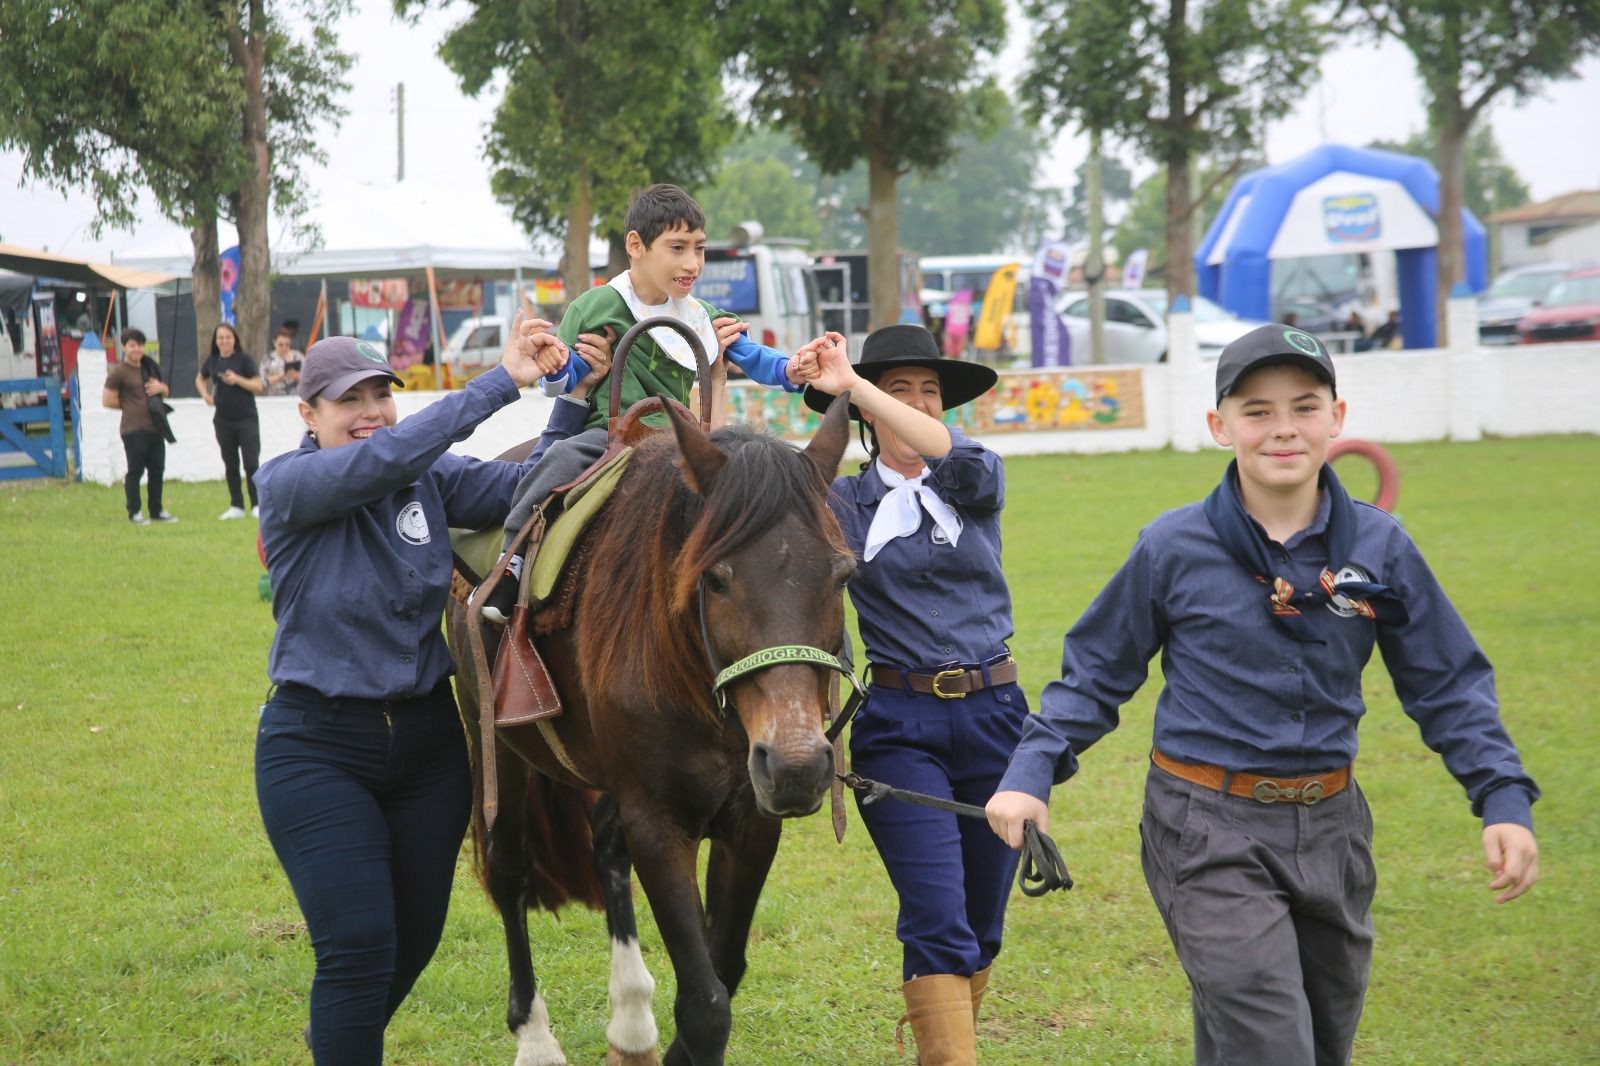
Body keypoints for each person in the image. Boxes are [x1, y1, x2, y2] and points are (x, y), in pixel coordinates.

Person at [986, 323, 1540, 1066]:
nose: (1283, 429)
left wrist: (1500, 794)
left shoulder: (1381, 548)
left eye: (1304, 407)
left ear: (1336, 420)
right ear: (1221, 426)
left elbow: (1446, 682)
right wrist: (1030, 774)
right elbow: (1093, 675)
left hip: (1335, 829)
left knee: (1313, 1042)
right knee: (1274, 1047)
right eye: (1257, 411)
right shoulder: (1172, 546)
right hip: (1206, 829)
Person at [252, 317, 577, 1065]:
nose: (370, 412)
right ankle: (346, 1033)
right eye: (348, 400)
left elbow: (533, 484)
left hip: (429, 749)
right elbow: (391, 457)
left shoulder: (422, 477)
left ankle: (338, 1035)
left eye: (381, 395)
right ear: (307, 415)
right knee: (360, 944)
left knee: (417, 936)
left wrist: (578, 395)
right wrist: (501, 381)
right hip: (318, 748)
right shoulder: (288, 485)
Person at [800, 325, 1025, 1065]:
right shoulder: (837, 504)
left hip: (998, 721)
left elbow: (949, 453)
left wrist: (857, 386)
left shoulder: (974, 476)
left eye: (928, 392)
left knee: (982, 928)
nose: (917, 405)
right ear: (866, 416)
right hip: (899, 727)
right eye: (898, 391)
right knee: (937, 919)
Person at [477, 182, 817, 623]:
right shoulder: (598, 306)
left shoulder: (702, 315)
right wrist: (557, 366)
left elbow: (753, 356)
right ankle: (512, 560)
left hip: (680, 442)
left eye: (699, 248)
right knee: (560, 457)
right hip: (609, 435)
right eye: (677, 248)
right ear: (636, 245)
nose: (692, 263)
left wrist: (792, 370)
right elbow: (572, 373)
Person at [101, 327, 177, 524]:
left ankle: (156, 510)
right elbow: (107, 400)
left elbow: (165, 391)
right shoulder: (119, 372)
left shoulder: (149, 367)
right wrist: (130, 405)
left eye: (140, 345)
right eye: (132, 345)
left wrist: (162, 388)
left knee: (157, 469)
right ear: (124, 347)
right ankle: (134, 511)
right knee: (136, 470)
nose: (137, 349)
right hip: (133, 429)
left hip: (155, 426)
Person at [196, 322, 264, 518]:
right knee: (230, 463)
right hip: (223, 420)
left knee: (251, 463)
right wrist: (206, 396)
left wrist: (237, 380)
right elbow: (200, 378)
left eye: (228, 337)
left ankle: (256, 504)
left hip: (246, 419)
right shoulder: (213, 360)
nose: (224, 341)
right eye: (220, 338)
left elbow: (258, 385)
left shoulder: (244, 360)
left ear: (234, 339)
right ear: (216, 341)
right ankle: (237, 506)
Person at [263, 323, 303, 396]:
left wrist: (296, 376)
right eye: (281, 345)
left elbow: (309, 379)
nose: (284, 347)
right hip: (274, 399)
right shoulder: (268, 358)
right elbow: (264, 381)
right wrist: (280, 376)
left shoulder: (298, 356)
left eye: (287, 345)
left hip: (296, 397)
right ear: (274, 343)